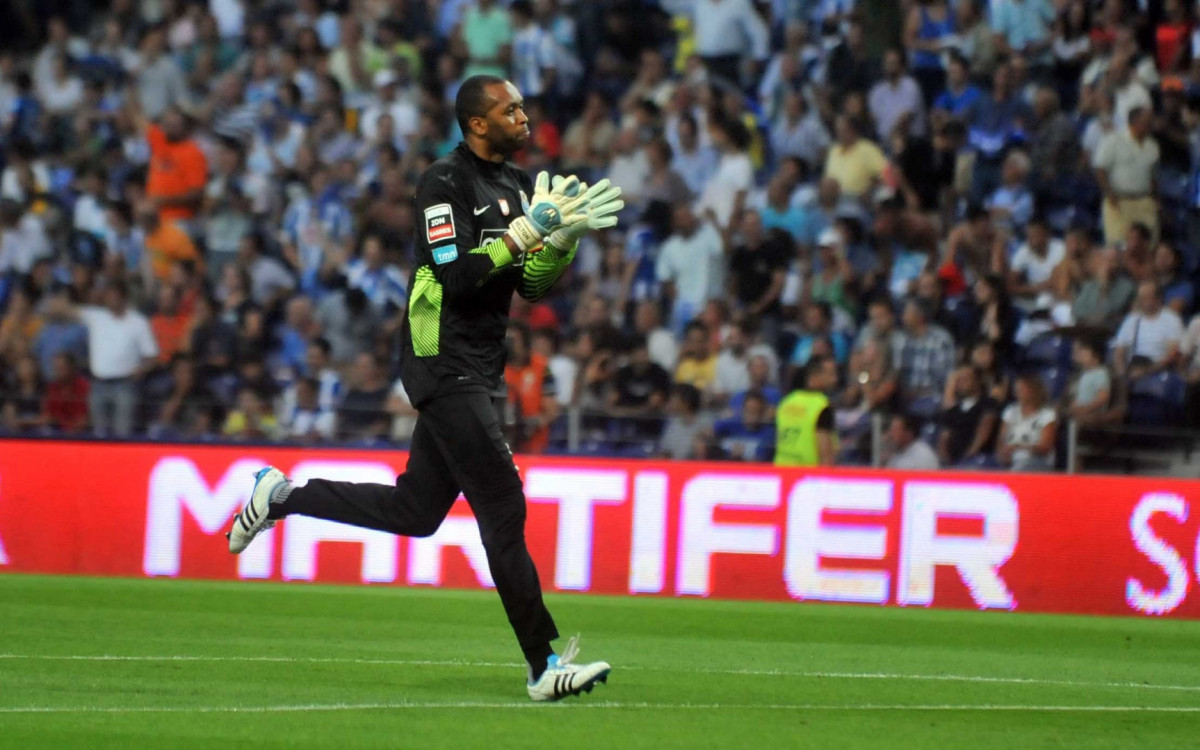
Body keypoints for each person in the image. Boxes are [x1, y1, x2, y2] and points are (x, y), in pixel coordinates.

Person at [225, 75, 619, 702]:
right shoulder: (444, 182)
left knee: (416, 511)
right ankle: (543, 665)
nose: (524, 117)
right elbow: (455, 276)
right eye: (510, 109)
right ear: (477, 123)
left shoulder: (519, 185)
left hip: (479, 365)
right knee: (503, 506)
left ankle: (282, 497)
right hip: (440, 357)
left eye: (523, 107)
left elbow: (529, 287)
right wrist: (524, 233)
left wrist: (560, 246)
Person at [774, 355, 838, 467]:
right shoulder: (821, 406)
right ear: (815, 375)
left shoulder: (787, 401)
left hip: (782, 470)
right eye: (830, 374)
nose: (835, 379)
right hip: (807, 473)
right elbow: (825, 455)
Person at [937, 365, 998, 465]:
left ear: (977, 381)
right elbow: (944, 438)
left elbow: (984, 431)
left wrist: (967, 456)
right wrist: (946, 460)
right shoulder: (953, 410)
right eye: (959, 380)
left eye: (966, 379)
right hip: (953, 462)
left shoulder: (988, 404)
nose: (961, 383)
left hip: (979, 460)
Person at [996, 372, 1058, 472]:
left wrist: (1019, 447)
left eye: (1021, 390)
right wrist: (1002, 453)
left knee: (1019, 469)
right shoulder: (1010, 411)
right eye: (1017, 390)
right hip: (1010, 459)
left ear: (1033, 391)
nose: (1017, 393)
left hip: (1036, 460)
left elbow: (1045, 447)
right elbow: (1001, 439)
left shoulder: (1047, 415)